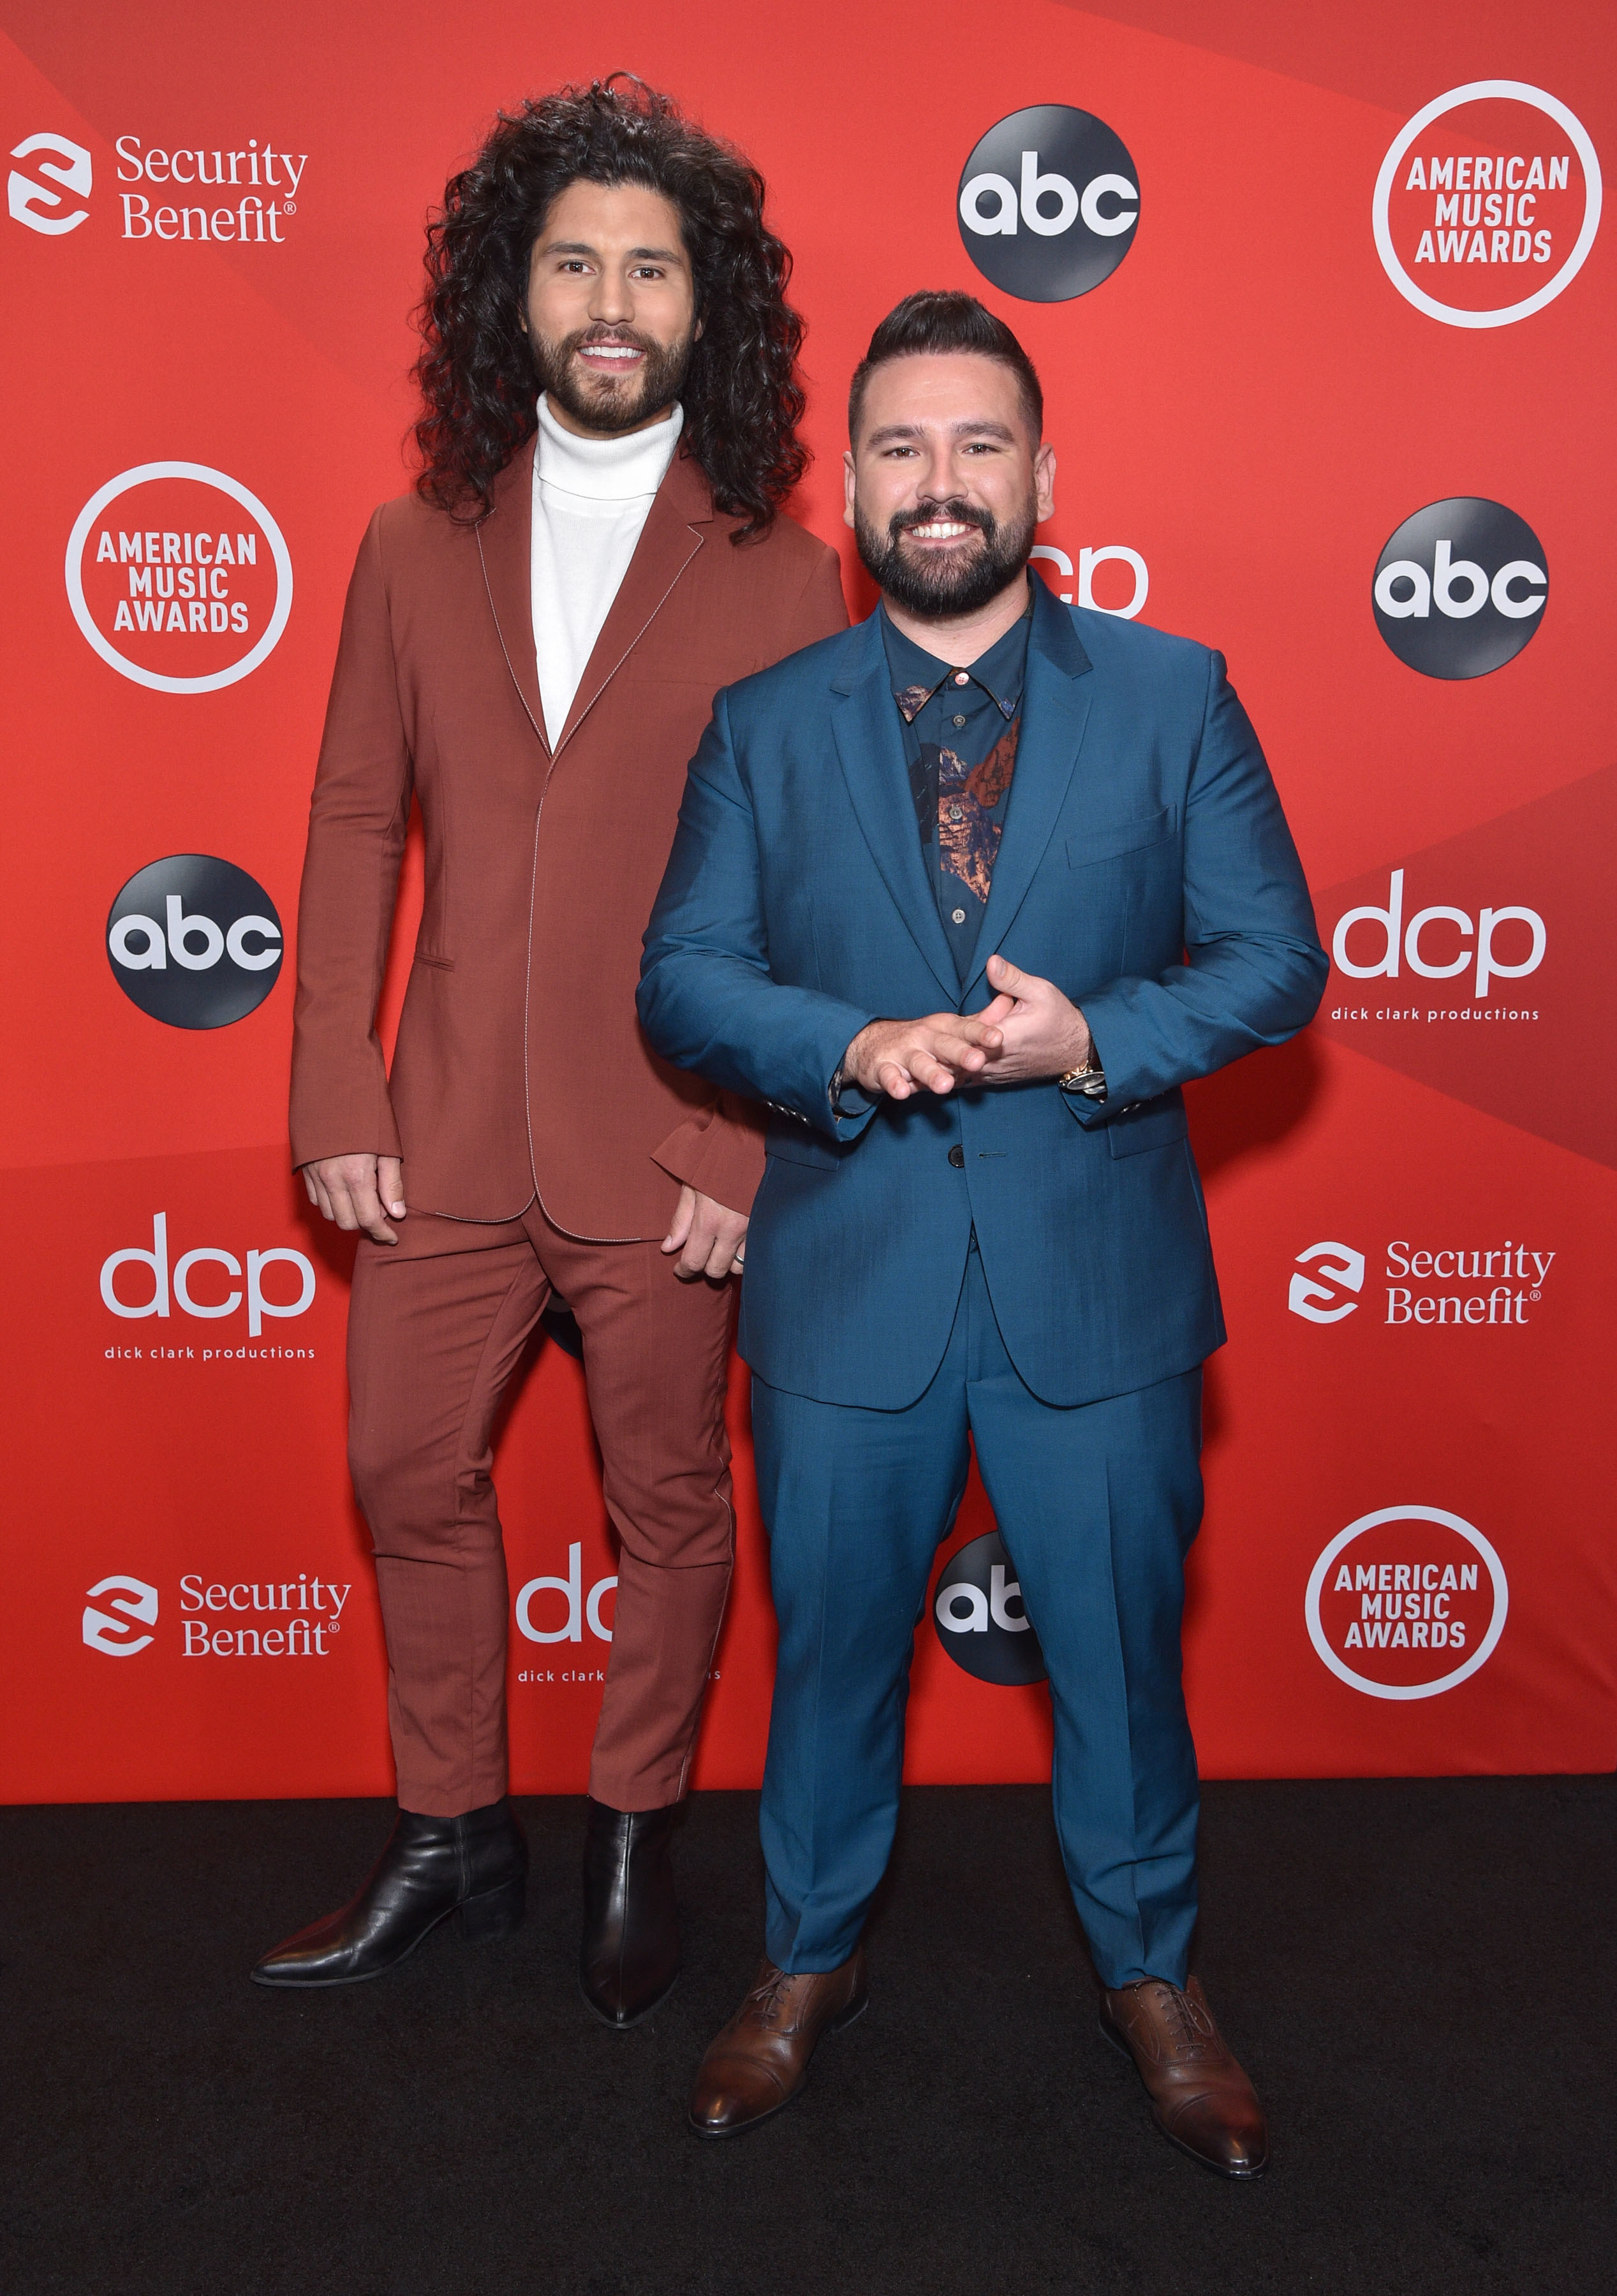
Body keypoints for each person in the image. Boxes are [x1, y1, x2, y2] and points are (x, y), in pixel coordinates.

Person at [639, 291, 1326, 2168]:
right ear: (850, 480)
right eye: (900, 449)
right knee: (833, 1654)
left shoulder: (1177, 694)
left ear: (1043, 471)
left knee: (1116, 1657)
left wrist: (1098, 1036)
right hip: (848, 1280)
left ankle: (1153, 1976)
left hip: (1092, 1283)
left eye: (978, 445)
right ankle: (807, 1959)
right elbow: (687, 979)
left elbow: (1277, 961)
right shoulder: (764, 727)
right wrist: (848, 1041)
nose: (939, 486)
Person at [253, 78, 846, 2020]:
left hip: (669, 1134)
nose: (611, 296)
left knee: (668, 1505)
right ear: (512, 297)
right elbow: (354, 820)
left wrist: (747, 1146)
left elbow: (818, 885)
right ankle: (453, 1832)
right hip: (433, 1138)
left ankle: (628, 1833)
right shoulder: (411, 538)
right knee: (401, 1464)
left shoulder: (775, 561)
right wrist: (335, 1091)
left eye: (651, 266)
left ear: (706, 303)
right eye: (575, 259)